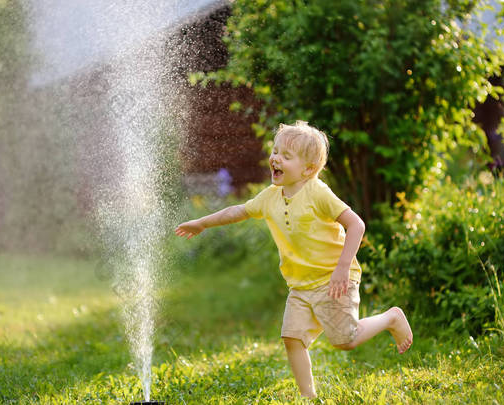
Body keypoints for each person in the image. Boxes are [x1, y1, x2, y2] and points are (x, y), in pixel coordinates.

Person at [175, 121, 413, 398]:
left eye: (286, 156)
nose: (275, 158)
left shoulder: (317, 192)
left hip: (333, 279)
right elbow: (237, 211)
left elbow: (356, 225)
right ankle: (308, 397)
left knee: (346, 340)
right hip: (299, 285)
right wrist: (201, 223)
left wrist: (342, 267)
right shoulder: (270, 197)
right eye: (275, 152)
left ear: (308, 169)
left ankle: (391, 318)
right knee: (292, 338)